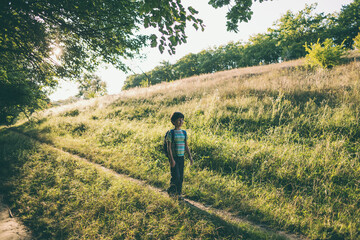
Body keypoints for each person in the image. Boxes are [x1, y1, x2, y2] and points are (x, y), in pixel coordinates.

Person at [166, 112, 193, 200]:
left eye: (182, 119)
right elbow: (168, 147)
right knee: (175, 176)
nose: (181, 121)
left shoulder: (184, 133)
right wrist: (172, 160)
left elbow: (186, 146)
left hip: (181, 158)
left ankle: (179, 194)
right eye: (179, 119)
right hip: (174, 158)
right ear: (174, 121)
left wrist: (190, 157)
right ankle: (172, 190)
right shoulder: (171, 133)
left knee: (180, 177)